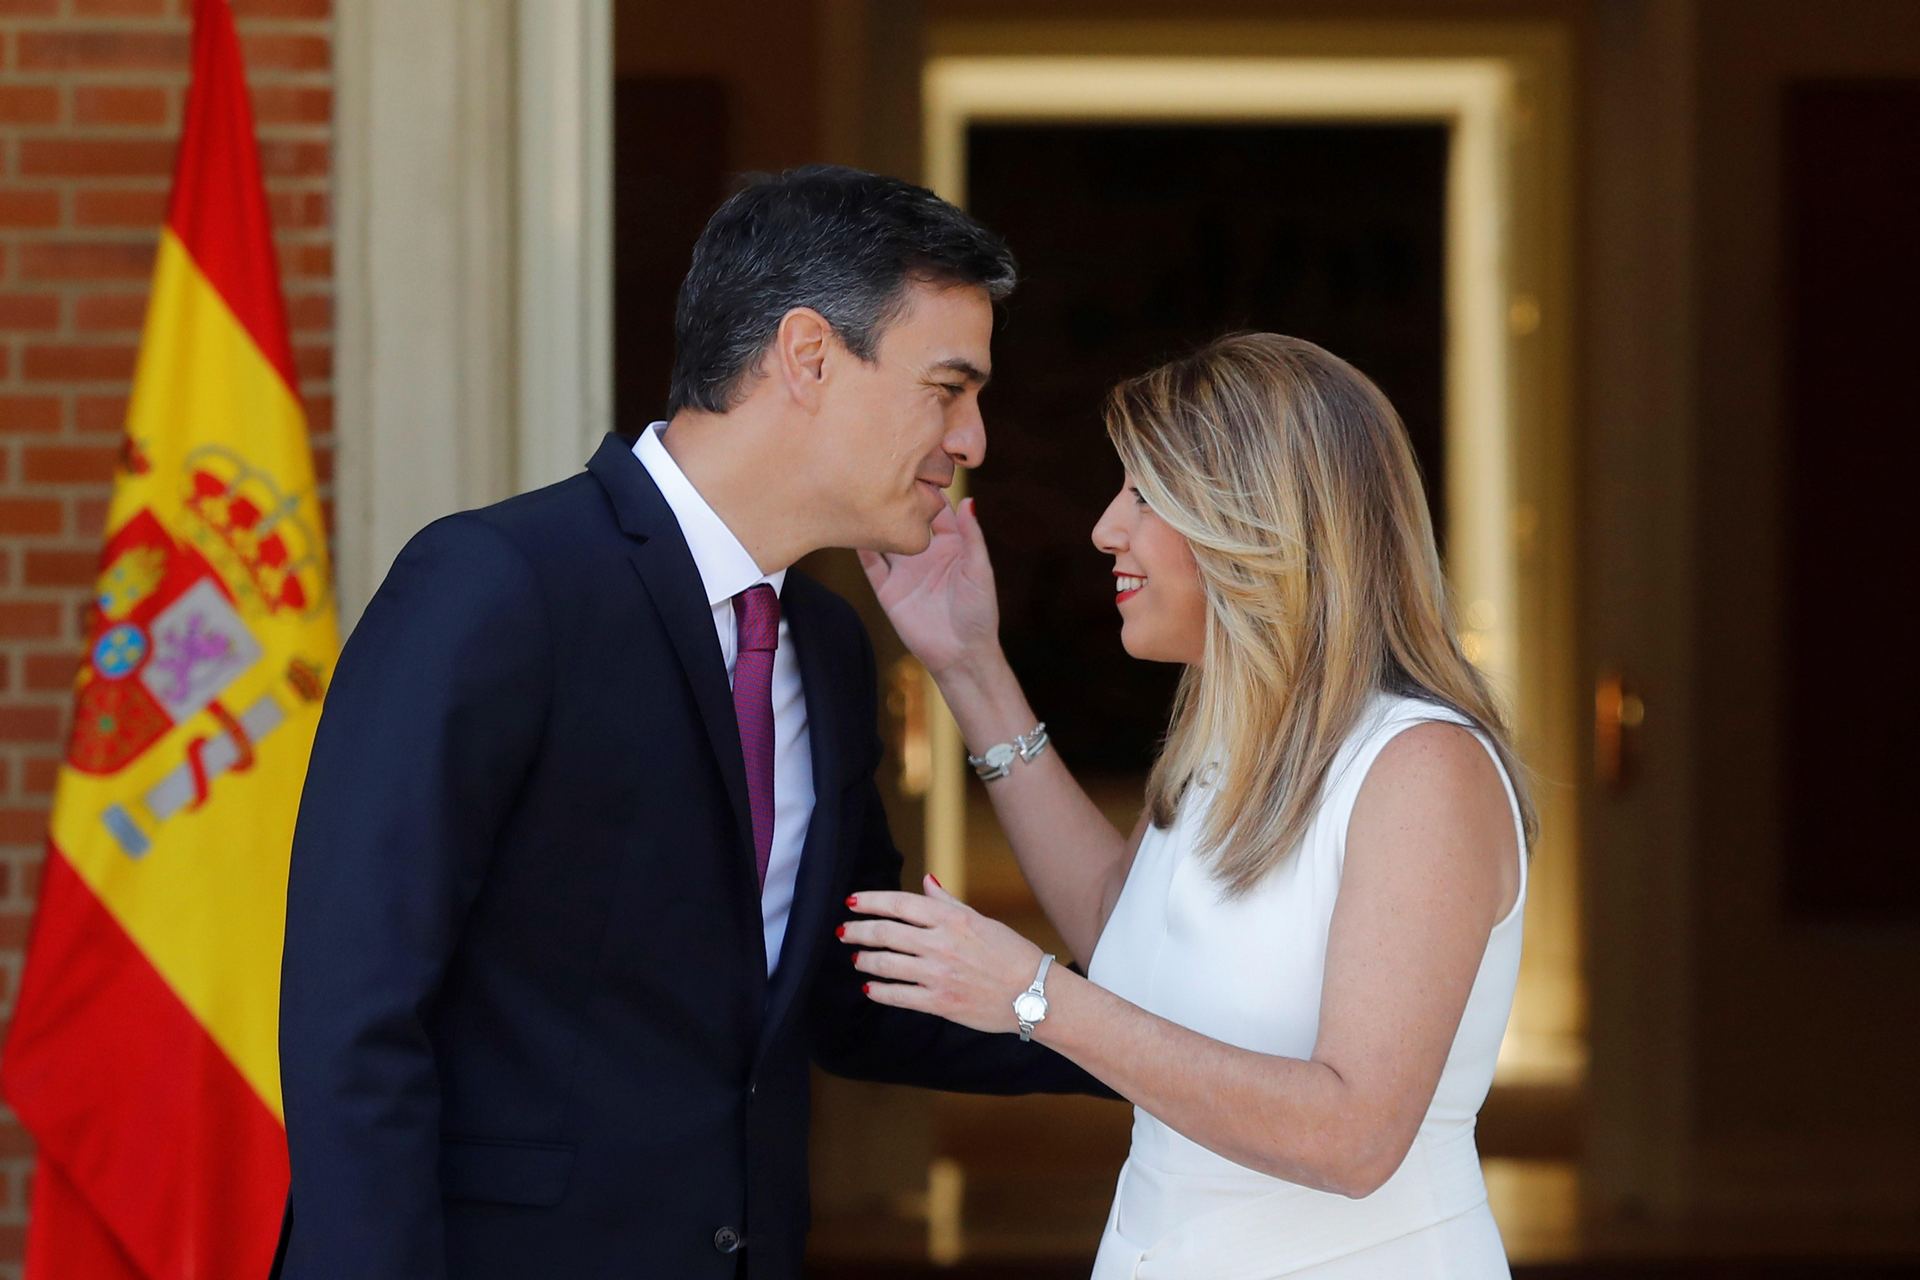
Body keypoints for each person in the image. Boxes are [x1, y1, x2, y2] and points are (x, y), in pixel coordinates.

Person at [272, 165, 1104, 1280]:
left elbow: (856, 991)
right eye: (949, 387)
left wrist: (1161, 1045)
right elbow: (353, 1017)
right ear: (809, 355)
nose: (974, 439)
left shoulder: (831, 647)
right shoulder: (496, 586)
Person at [847, 332, 1536, 1278]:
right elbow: (1119, 929)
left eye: (1142, 494)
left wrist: (1034, 999)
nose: (1104, 530)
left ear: (1257, 518)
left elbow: (1354, 1137)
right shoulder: (1228, 732)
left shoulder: (1420, 766)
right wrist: (968, 663)